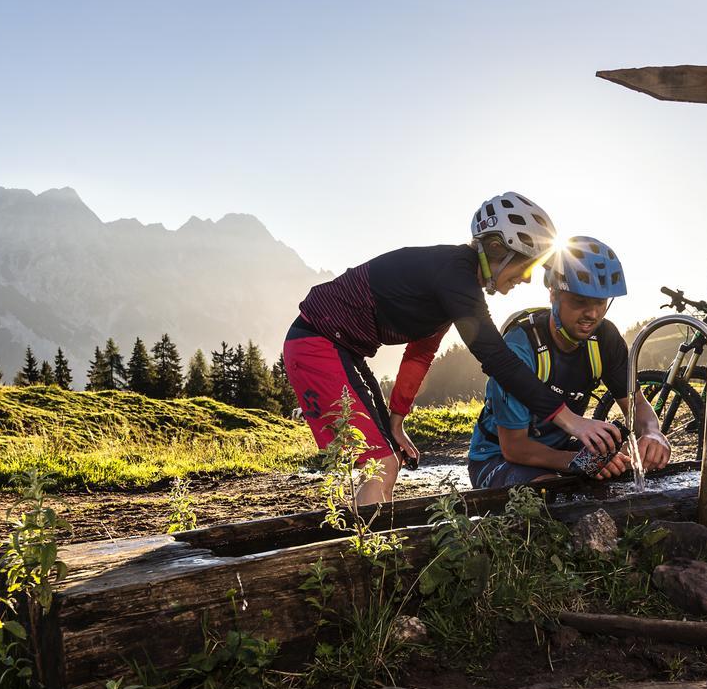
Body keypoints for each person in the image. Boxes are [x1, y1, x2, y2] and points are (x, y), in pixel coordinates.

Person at [284, 193, 623, 505]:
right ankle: (367, 559)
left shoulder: (449, 285)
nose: (527, 279)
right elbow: (495, 356)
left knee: (386, 457)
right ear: (495, 249)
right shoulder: (454, 275)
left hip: (340, 348)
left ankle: (374, 549)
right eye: (528, 266)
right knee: (381, 462)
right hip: (318, 344)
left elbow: (420, 353)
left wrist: (397, 421)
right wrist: (570, 421)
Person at [467, 236, 672, 489]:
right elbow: (515, 448)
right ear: (553, 294)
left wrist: (652, 432)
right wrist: (578, 462)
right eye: (579, 301)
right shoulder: (521, 346)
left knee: (618, 480)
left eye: (600, 302)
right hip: (496, 457)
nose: (592, 314)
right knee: (550, 495)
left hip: (558, 449)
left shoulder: (605, 339)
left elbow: (636, 404)